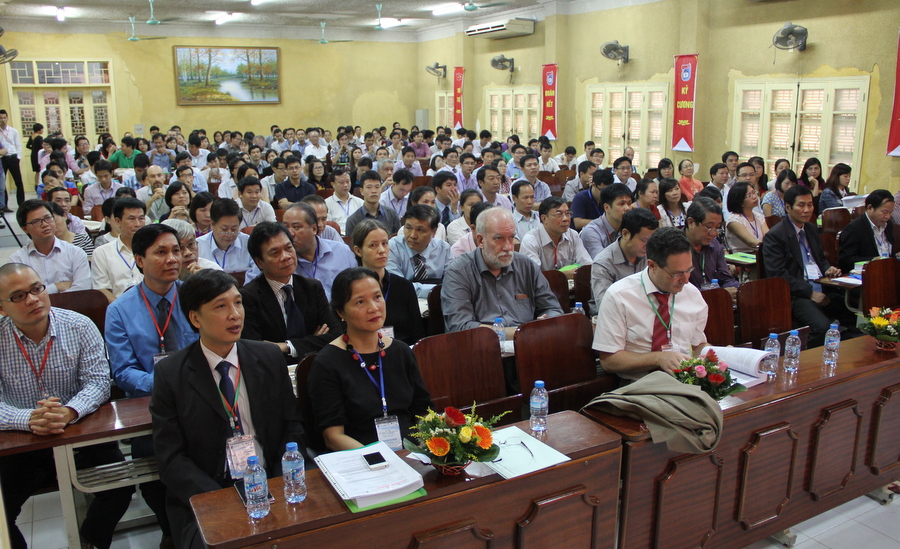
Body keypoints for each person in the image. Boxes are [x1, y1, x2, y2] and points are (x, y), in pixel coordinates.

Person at [150, 269, 306, 549]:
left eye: (238, 303)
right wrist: (221, 500)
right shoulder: (171, 374)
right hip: (209, 492)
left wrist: (278, 482)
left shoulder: (268, 356)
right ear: (195, 318)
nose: (235, 315)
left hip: (273, 481)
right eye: (221, 306)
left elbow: (292, 425)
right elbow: (171, 458)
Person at [0, 264, 134, 549]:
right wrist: (30, 419)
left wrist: (69, 411)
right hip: (23, 441)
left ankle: (90, 541)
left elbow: (99, 381)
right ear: (2, 308)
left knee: (120, 487)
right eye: (19, 296)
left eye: (37, 289)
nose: (33, 299)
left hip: (79, 432)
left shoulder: (79, 325)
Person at [105, 223, 198, 547]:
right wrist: (168, 385)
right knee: (154, 470)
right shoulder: (119, 310)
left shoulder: (194, 297)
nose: (173, 259)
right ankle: (172, 532)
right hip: (151, 406)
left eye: (176, 251)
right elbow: (123, 372)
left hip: (199, 398)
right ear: (139, 260)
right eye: (161, 252)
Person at [307, 267, 432, 451]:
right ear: (341, 312)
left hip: (411, 453)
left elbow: (423, 412)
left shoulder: (401, 351)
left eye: (377, 297)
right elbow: (333, 437)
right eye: (360, 302)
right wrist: (381, 458)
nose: (374, 308)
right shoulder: (328, 362)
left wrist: (425, 448)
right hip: (362, 457)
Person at [593, 227, 709, 380]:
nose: (686, 280)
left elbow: (696, 346)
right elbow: (609, 361)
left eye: (689, 270)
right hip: (637, 383)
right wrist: (658, 358)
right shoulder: (619, 296)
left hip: (685, 380)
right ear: (652, 266)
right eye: (676, 273)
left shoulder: (692, 294)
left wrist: (717, 354)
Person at [441, 208, 563, 337]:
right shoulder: (459, 272)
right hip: (482, 346)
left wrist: (546, 322)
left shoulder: (526, 266)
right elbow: (460, 326)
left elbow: (553, 309)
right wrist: (521, 333)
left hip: (528, 344)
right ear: (481, 240)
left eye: (511, 238)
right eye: (499, 238)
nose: (508, 247)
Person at [761, 185, 857, 348]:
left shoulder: (811, 229)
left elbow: (820, 259)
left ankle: (844, 353)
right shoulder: (776, 236)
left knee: (852, 310)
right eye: (801, 205)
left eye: (810, 205)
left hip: (822, 286)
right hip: (797, 294)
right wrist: (810, 293)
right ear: (788, 207)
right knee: (821, 327)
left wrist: (827, 268)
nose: (807, 210)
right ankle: (806, 357)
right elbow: (778, 275)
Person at [240, 221, 342, 364]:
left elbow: (336, 336)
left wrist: (286, 346)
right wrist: (313, 342)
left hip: (316, 366)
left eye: (289, 248)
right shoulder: (247, 297)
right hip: (274, 370)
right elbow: (254, 350)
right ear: (259, 262)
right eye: (275, 253)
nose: (286, 256)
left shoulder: (312, 287)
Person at [351, 220, 425, 345]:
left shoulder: (404, 286)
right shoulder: (350, 288)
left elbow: (418, 334)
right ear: (358, 251)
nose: (381, 250)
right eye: (373, 245)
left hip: (402, 351)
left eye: (385, 243)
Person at [11, 199, 91, 294]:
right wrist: (56, 287)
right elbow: (22, 295)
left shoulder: (75, 253)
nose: (45, 224)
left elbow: (83, 289)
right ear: (25, 229)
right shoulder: (17, 261)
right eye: (36, 221)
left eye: (48, 218)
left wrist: (38, 291)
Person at [591, 208, 658, 314]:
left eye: (651, 240)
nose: (648, 246)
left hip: (646, 313)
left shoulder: (651, 254)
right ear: (625, 234)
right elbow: (605, 307)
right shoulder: (603, 264)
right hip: (616, 318)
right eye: (644, 240)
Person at [284, 202, 357, 298]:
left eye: (296, 227)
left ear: (314, 229)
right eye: (286, 227)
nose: (290, 233)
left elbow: (358, 287)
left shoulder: (342, 252)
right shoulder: (283, 261)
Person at [387, 204, 452, 298]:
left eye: (420, 230)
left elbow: (453, 282)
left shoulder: (443, 249)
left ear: (434, 232)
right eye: (408, 228)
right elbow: (398, 286)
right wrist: (437, 290)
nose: (412, 235)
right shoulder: (392, 248)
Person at [91, 197, 147, 301]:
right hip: (118, 306)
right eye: (131, 219)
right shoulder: (102, 252)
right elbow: (101, 289)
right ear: (118, 221)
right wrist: (121, 307)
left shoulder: (153, 249)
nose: (138, 224)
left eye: (141, 218)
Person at [520, 197, 592, 277]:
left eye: (567, 213)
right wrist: (564, 275)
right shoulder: (531, 240)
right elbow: (533, 276)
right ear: (544, 218)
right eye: (559, 214)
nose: (565, 219)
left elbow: (587, 265)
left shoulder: (572, 235)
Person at [684, 198, 740, 297]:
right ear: (691, 222)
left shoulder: (715, 245)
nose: (714, 233)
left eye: (717, 228)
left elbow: (726, 279)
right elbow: (681, 289)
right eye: (709, 227)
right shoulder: (674, 248)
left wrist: (738, 290)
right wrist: (719, 295)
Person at [837, 189, 895, 273]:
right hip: (867, 274)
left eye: (890, 212)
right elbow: (845, 261)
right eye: (884, 212)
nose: (888, 217)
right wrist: (872, 260)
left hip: (887, 272)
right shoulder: (854, 229)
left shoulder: (888, 225)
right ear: (870, 208)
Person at [196, 198, 259, 275]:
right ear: (212, 224)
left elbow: (257, 274)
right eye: (224, 229)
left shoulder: (249, 243)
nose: (229, 234)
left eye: (234, 229)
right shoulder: (198, 246)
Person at [580, 183, 633, 258]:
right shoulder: (591, 232)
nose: (627, 208)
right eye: (621, 204)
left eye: (629, 203)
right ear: (607, 208)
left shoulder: (631, 227)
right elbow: (601, 261)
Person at [345, 170, 402, 236]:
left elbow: (398, 240)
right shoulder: (353, 220)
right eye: (369, 187)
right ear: (361, 191)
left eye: (377, 187)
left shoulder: (392, 215)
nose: (374, 191)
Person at [725, 182, 767, 253]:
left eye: (754, 192)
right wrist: (771, 246)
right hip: (742, 256)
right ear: (740, 202)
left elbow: (768, 237)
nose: (755, 196)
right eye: (749, 195)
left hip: (760, 253)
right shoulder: (734, 220)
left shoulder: (758, 216)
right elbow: (751, 242)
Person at [325, 168, 364, 235]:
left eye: (348, 182)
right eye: (341, 182)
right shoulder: (326, 204)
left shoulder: (360, 202)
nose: (346, 185)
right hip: (336, 237)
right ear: (333, 184)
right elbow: (328, 227)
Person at [0, 109, 24, 209]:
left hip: (13, 157)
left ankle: (21, 204)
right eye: (0, 118)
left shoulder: (13, 131)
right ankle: (4, 205)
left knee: (18, 181)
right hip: (2, 158)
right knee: (2, 182)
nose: (3, 120)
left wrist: (18, 157)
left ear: (7, 118)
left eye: (4, 118)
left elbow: (18, 145)